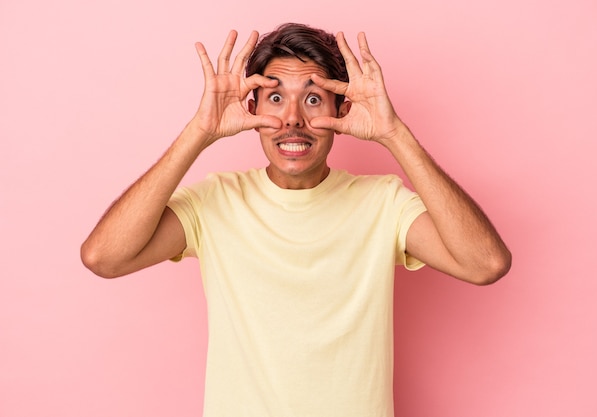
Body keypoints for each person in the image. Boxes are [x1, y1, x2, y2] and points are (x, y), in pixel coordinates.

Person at [81, 23, 511, 417]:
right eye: (275, 97)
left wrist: (394, 134)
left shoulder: (382, 204)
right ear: (251, 110)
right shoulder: (215, 201)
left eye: (311, 98)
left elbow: (485, 264)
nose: (292, 120)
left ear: (341, 111)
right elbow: (104, 257)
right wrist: (200, 131)